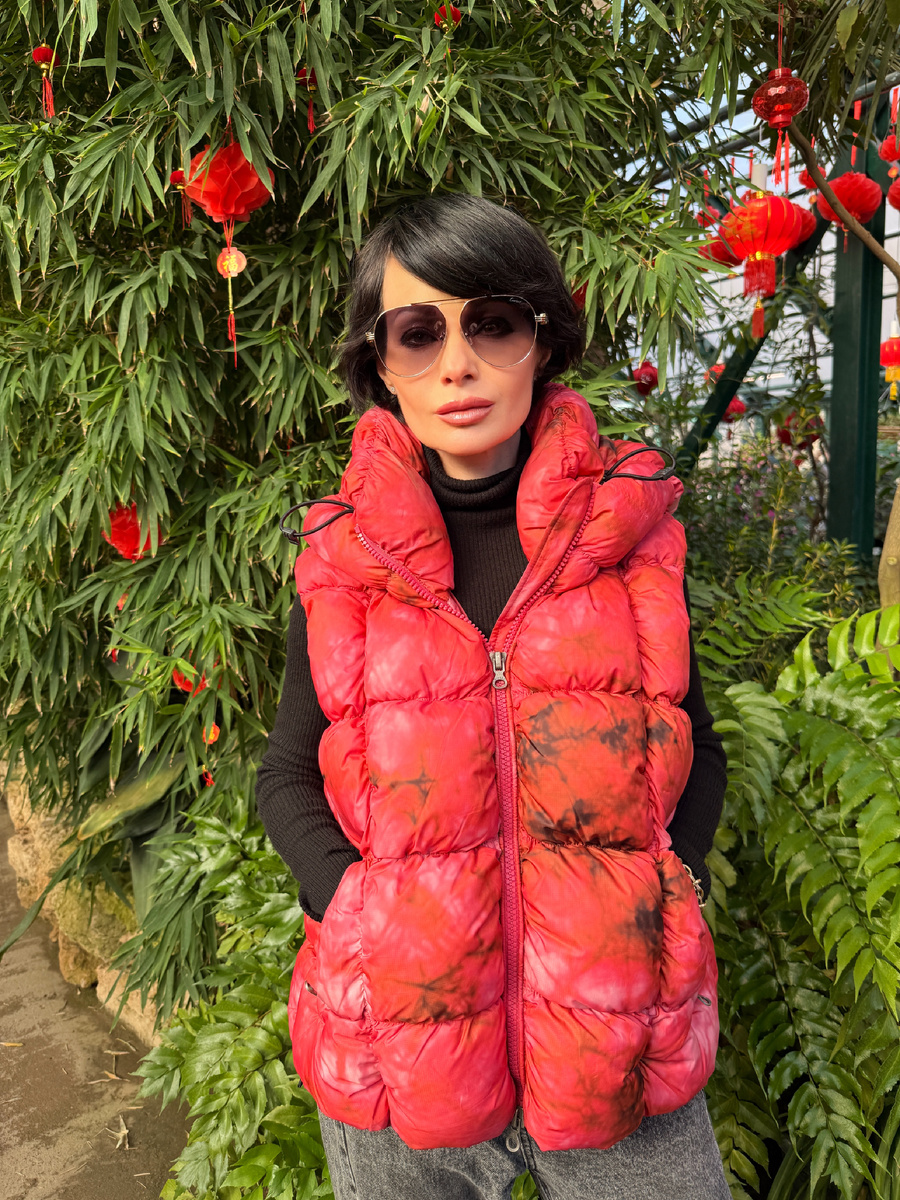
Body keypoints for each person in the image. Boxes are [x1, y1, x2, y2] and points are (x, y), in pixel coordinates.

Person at [255, 193, 730, 1200]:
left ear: (542, 340)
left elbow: (694, 744)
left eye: (493, 323)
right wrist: (356, 915)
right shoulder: (344, 560)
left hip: (619, 1053)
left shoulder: (630, 541)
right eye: (418, 333)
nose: (457, 364)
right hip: (400, 1060)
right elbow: (288, 772)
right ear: (381, 363)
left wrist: (665, 898)